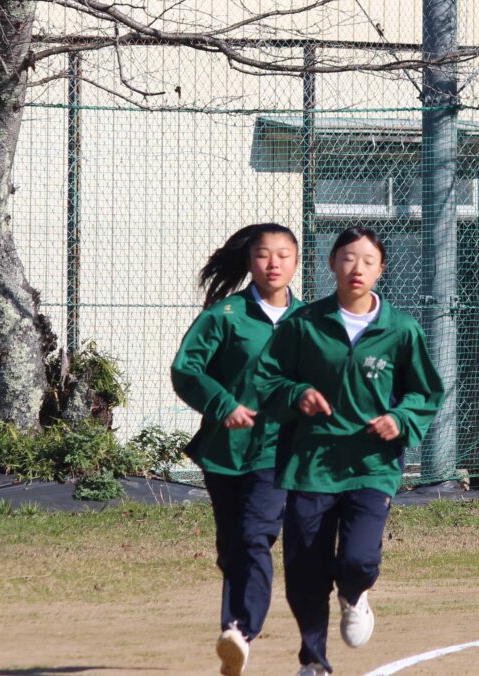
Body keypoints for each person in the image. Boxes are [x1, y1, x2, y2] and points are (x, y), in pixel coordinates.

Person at [255, 226, 445, 676]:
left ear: (381, 269)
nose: (356, 268)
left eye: (367, 261)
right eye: (347, 258)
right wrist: (296, 394)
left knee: (358, 560)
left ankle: (355, 593)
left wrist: (400, 418)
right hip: (311, 465)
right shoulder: (303, 324)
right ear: (331, 263)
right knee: (305, 571)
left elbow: (425, 392)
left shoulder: (400, 329)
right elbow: (267, 379)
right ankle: (313, 661)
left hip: (372, 465)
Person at [171, 222, 303, 676]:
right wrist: (223, 404)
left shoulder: (312, 322)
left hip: (280, 452)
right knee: (232, 545)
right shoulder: (224, 316)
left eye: (283, 255)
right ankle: (235, 627)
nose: (273, 263)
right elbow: (187, 370)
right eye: (264, 254)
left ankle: (239, 630)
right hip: (225, 452)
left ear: (297, 262)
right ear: (250, 260)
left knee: (255, 536)